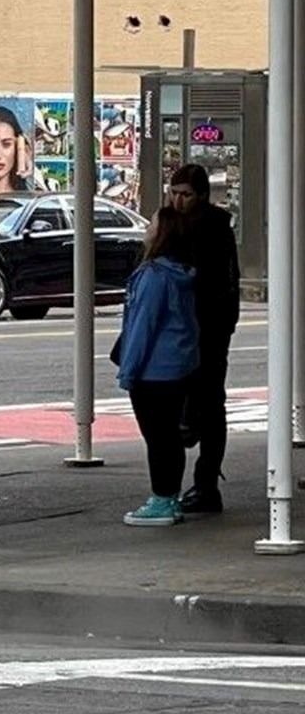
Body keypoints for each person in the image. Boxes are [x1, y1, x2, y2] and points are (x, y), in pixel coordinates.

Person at [114, 207, 199, 526]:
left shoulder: (153, 276)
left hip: (153, 371)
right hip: (177, 367)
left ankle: (162, 499)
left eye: (152, 223)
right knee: (169, 437)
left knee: (158, 437)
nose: (147, 228)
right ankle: (170, 496)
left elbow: (141, 327)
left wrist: (128, 371)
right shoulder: (182, 273)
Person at [169, 164, 240, 514]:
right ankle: (201, 479)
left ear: (200, 196)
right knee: (203, 403)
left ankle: (205, 481)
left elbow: (217, 282)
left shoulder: (209, 228)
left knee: (208, 403)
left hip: (206, 327)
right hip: (198, 326)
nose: (179, 201)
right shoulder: (182, 224)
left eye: (186, 194)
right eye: (175, 193)